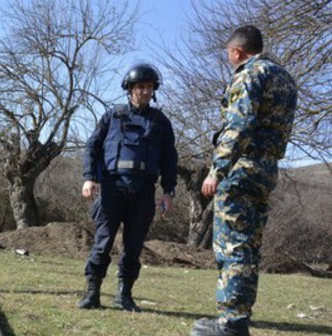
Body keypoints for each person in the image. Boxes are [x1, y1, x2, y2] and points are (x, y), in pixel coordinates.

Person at [192, 26, 297, 336]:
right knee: (250, 245)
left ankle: (231, 322)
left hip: (241, 167)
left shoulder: (250, 74)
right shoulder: (284, 78)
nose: (229, 62)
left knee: (232, 243)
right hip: (267, 169)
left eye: (229, 56)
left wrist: (217, 170)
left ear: (237, 52)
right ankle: (240, 318)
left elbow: (239, 126)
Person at [77, 63, 178, 312]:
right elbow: (93, 147)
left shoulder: (160, 121)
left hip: (144, 190)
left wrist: (168, 191)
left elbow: (169, 158)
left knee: (133, 245)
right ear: (130, 89)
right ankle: (93, 293)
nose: (145, 91)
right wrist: (89, 178)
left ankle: (124, 295)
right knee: (103, 241)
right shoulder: (113, 116)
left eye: (149, 87)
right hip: (112, 187)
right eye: (140, 87)